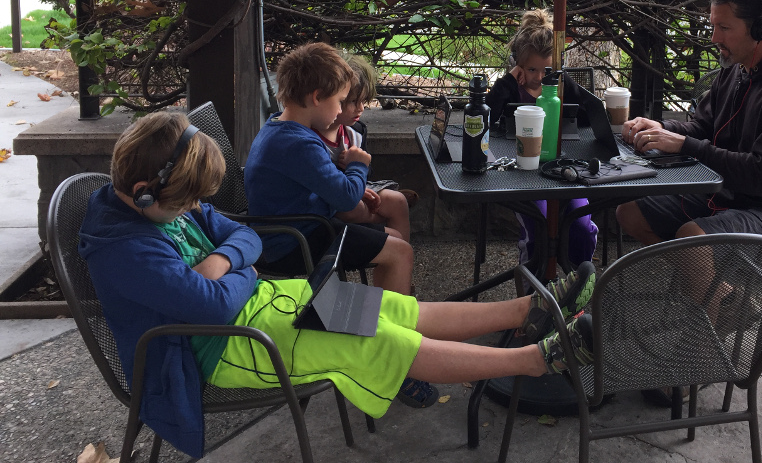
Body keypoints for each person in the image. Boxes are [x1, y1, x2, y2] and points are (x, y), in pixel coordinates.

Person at [78, 111, 596, 459]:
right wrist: (237, 272)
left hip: (267, 308)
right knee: (380, 340)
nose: (195, 210)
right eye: (186, 204)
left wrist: (223, 263)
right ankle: (533, 360)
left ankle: (526, 309)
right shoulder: (123, 248)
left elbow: (240, 233)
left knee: (389, 309)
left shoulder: (159, 199)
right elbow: (210, 310)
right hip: (225, 348)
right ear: (145, 193)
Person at [615, 0, 762, 261]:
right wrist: (662, 129)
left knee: (693, 240)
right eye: (713, 26)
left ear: (760, 28)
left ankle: (715, 294)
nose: (714, 38)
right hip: (732, 196)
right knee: (631, 212)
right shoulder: (737, 69)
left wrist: (684, 144)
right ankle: (719, 288)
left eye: (724, 27)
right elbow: (704, 127)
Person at [244, 43, 414, 295]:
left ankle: (385, 313)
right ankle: (394, 327)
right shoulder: (299, 144)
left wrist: (353, 187)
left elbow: (325, 186)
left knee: (396, 240)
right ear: (317, 97)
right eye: (341, 101)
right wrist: (358, 166)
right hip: (293, 241)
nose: (339, 110)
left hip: (297, 228)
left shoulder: (278, 129)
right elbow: (345, 199)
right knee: (400, 251)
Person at [486, 9, 599, 267]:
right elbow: (487, 116)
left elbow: (586, 118)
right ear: (519, 65)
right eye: (531, 69)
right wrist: (507, 82)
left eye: (546, 69)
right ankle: (533, 290)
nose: (539, 77)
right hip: (523, 172)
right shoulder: (511, 87)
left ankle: (577, 282)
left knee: (582, 225)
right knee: (539, 224)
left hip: (565, 169)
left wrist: (562, 80)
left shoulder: (559, 85)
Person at [313, 52, 414, 243]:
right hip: (331, 204)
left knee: (398, 202)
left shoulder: (355, 132)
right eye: (353, 101)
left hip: (354, 190)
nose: (361, 108)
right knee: (360, 212)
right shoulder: (311, 137)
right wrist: (348, 169)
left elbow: (365, 173)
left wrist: (356, 166)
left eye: (364, 101)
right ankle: (385, 235)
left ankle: (395, 250)